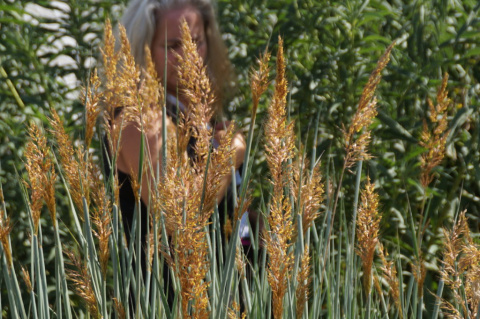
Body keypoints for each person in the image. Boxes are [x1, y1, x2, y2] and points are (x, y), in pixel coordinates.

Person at [105, 0, 257, 299]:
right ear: (143, 49)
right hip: (172, 299)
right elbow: (178, 218)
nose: (188, 55)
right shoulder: (141, 117)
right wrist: (230, 155)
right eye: (173, 45)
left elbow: (218, 207)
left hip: (221, 292)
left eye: (195, 42)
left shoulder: (192, 109)